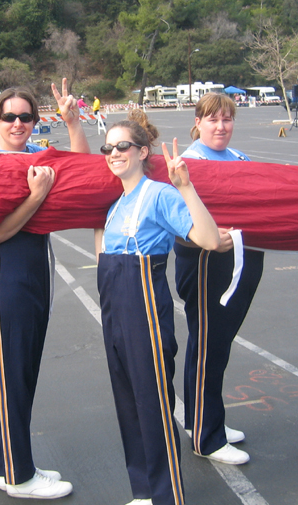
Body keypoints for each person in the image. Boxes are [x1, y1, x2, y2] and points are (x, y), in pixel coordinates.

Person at [0, 79, 88, 499]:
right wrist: (37, 196)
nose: (17, 123)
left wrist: (73, 123)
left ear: (36, 121)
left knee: (20, 375)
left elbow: (83, 171)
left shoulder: (40, 156)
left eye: (25, 117)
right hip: (4, 282)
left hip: (34, 280)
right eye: (9, 117)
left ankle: (12, 462)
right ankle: (17, 476)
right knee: (11, 377)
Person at [94, 109, 220, 505]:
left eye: (122, 146)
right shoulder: (116, 205)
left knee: (153, 402)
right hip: (114, 305)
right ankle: (145, 490)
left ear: (142, 151)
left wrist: (185, 186)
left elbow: (209, 239)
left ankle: (169, 496)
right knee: (128, 402)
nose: (114, 153)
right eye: (108, 148)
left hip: (144, 306)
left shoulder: (160, 194)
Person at [173, 93, 264, 465]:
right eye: (213, 120)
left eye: (227, 119)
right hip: (206, 265)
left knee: (213, 345)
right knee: (209, 346)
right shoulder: (188, 162)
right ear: (197, 122)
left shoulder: (241, 159)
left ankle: (201, 419)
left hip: (239, 262)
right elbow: (179, 220)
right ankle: (208, 438)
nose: (221, 127)